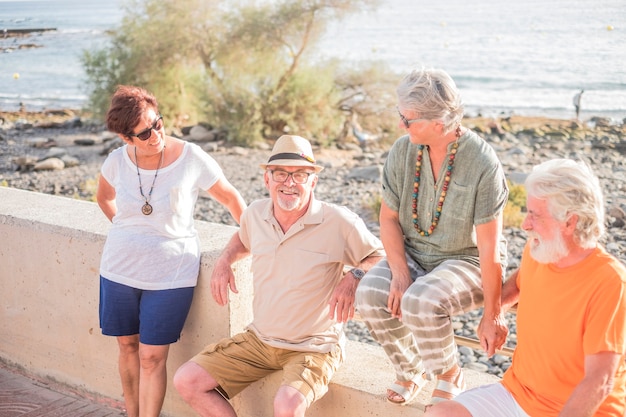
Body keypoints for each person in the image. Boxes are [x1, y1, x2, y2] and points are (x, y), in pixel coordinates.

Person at [173, 134, 385, 417]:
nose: (289, 182)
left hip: (314, 346)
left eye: (300, 175)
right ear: (267, 179)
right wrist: (224, 260)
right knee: (187, 380)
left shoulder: (339, 221)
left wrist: (353, 275)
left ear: (313, 181)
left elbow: (381, 257)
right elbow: (242, 238)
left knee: (286, 406)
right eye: (281, 174)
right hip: (260, 340)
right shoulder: (255, 214)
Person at [354, 68, 509, 407]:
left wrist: (493, 312)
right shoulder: (403, 151)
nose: (401, 125)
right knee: (369, 293)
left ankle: (450, 372)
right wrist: (399, 272)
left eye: (407, 120)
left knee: (420, 300)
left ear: (439, 123)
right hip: (414, 252)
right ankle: (411, 370)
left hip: (467, 259)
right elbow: (388, 218)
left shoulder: (482, 162)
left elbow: (489, 247)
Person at [425, 158, 626, 417]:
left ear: (570, 222)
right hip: (518, 394)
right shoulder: (540, 250)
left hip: (582, 410)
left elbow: (599, 382)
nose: (525, 225)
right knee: (439, 414)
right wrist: (494, 313)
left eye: (535, 215)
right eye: (527, 212)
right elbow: (520, 282)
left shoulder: (610, 283)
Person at [96, 85, 246, 417]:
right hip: (119, 270)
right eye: (144, 133)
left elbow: (232, 199)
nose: (155, 136)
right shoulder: (117, 162)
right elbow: (104, 198)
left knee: (151, 356)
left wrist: (253, 237)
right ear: (126, 139)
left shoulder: (191, 157)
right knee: (126, 346)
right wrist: (125, 229)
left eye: (158, 124)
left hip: (171, 274)